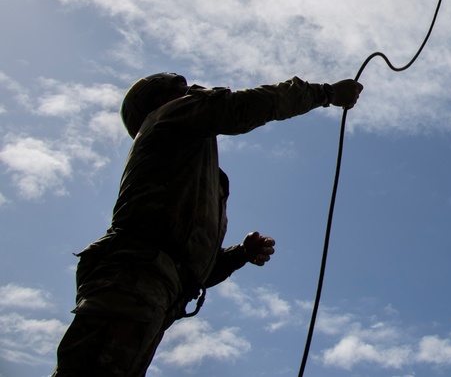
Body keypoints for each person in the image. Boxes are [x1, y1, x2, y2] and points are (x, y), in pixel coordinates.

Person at [52, 72, 364, 376]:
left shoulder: (190, 169)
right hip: (133, 276)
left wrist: (238, 254)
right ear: (160, 98)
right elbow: (241, 107)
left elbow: (193, 268)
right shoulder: (168, 113)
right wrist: (327, 94)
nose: (188, 91)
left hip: (151, 287)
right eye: (180, 87)